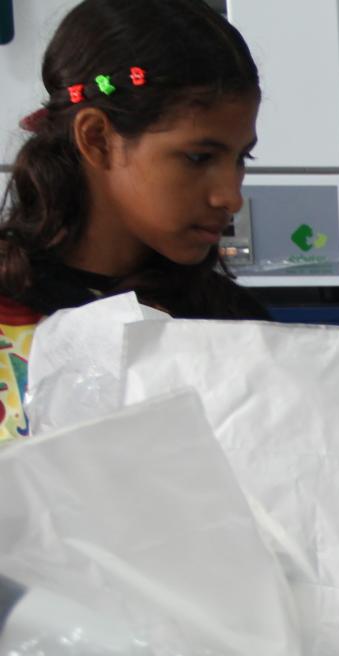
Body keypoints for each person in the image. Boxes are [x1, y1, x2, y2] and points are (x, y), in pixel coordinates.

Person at [0, 0, 268, 447]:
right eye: (198, 157)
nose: (230, 196)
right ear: (97, 139)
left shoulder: (231, 328)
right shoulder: (12, 317)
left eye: (242, 158)